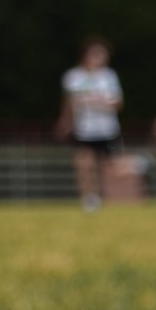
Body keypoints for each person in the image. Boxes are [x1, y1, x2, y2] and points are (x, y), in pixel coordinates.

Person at [57, 40, 124, 211]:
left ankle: (107, 197)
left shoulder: (109, 77)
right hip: (84, 129)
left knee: (108, 167)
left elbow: (118, 103)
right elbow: (68, 103)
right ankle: (88, 199)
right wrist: (65, 122)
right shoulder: (73, 77)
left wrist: (101, 104)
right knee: (83, 164)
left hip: (106, 128)